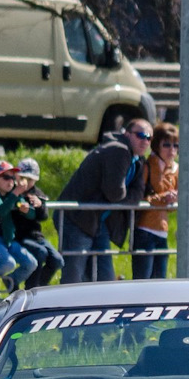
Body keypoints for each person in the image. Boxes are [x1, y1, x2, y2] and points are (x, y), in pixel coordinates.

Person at [56, 118, 150, 282]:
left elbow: (138, 192)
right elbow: (114, 192)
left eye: (149, 138)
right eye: (140, 135)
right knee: (74, 276)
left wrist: (124, 197)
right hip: (77, 218)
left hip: (98, 221)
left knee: (104, 278)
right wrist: (125, 198)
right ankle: (66, 307)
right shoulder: (118, 150)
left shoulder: (138, 159)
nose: (145, 141)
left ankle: (96, 306)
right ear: (127, 134)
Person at [0, 161, 40, 295]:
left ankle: (12, 280)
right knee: (8, 263)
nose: (11, 181)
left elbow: (32, 214)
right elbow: (1, 209)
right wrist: (16, 193)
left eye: (12, 178)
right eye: (6, 177)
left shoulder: (12, 194)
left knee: (31, 263)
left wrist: (27, 209)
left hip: (7, 238)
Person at [134, 122, 179, 279]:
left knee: (160, 283)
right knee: (142, 282)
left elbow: (174, 205)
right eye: (166, 145)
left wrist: (174, 199)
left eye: (176, 146)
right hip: (144, 230)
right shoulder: (147, 166)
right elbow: (137, 198)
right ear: (156, 146)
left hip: (162, 232)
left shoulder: (176, 169)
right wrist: (162, 198)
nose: (172, 150)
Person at [10, 157, 63, 289]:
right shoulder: (13, 192)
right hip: (19, 236)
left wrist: (40, 205)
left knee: (57, 260)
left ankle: (40, 285)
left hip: (36, 236)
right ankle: (31, 288)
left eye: (30, 179)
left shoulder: (37, 193)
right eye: (23, 178)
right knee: (40, 253)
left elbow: (44, 216)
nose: (26, 183)